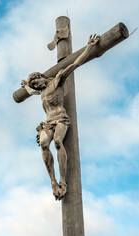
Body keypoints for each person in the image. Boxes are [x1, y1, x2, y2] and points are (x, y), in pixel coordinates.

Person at [21, 34, 100, 200]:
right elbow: (29, 90)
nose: (37, 85)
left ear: (42, 77)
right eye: (34, 85)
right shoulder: (39, 91)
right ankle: (52, 181)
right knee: (43, 144)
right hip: (48, 122)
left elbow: (75, 63)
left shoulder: (57, 80)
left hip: (61, 118)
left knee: (57, 142)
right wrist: (26, 86)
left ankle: (63, 180)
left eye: (37, 82)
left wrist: (89, 47)